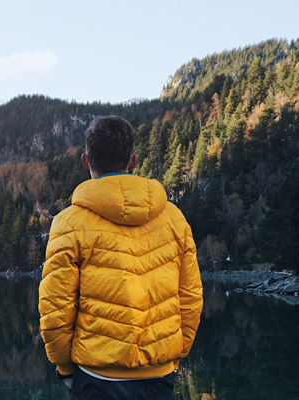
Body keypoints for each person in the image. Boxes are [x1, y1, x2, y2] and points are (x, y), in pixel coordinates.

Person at [38, 116, 203, 400]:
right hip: (159, 376)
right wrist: (173, 357)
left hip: (96, 377)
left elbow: (56, 309)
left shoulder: (68, 223)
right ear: (132, 161)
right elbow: (190, 299)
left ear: (86, 161)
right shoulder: (174, 219)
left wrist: (65, 368)